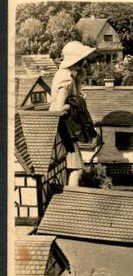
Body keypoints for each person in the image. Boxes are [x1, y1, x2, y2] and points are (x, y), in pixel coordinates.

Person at [49, 41, 97, 186]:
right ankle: (72, 196)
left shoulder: (65, 74)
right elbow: (58, 108)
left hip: (63, 127)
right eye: (83, 60)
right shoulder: (66, 79)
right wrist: (74, 104)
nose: (85, 63)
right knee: (76, 168)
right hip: (63, 127)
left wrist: (79, 84)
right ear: (78, 60)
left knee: (71, 167)